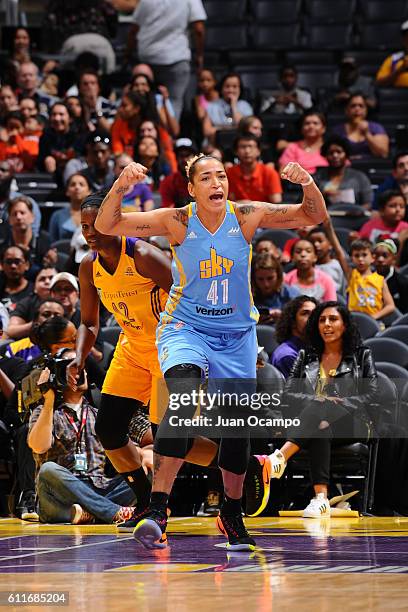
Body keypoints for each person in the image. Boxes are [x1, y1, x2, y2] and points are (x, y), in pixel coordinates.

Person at [94, 157, 328, 550]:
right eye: (206, 177)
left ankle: (231, 513)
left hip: (236, 336)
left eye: (221, 175)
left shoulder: (247, 216)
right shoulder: (177, 221)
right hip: (187, 329)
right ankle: (157, 509)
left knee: (236, 428)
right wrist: (120, 185)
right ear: (192, 188)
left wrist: (306, 181)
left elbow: (313, 214)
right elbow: (107, 224)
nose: (217, 181)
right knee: (182, 398)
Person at [251, 301, 378, 518]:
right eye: (322, 320)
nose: (327, 324)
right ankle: (321, 500)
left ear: (345, 325)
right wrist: (319, 400)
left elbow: (372, 394)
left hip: (352, 422)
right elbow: (289, 393)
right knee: (320, 425)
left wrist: (341, 402)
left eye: (333, 319)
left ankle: (279, 458)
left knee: (323, 407)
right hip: (316, 422)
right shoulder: (306, 355)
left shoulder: (361, 355)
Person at [28, 348, 135, 525]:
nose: (77, 373)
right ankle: (111, 511)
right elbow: (39, 446)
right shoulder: (44, 412)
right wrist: (48, 400)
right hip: (61, 494)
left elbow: (128, 452)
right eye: (69, 368)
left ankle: (87, 513)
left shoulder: (98, 414)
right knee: (48, 470)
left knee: (147, 471)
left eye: (80, 367)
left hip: (99, 488)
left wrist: (143, 454)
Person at [122, 0, 207, 121]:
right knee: (173, 102)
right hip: (176, 58)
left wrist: (127, 54)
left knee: (144, 100)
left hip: (148, 58)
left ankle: (146, 134)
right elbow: (199, 29)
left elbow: (133, 30)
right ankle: (168, 136)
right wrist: (199, 55)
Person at [313, 135, 373, 209]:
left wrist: (358, 211)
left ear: (346, 154)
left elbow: (368, 203)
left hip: (353, 217)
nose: (335, 156)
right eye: (331, 153)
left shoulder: (360, 177)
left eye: (339, 152)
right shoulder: (318, 177)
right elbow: (306, 202)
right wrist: (323, 195)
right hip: (324, 217)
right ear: (326, 155)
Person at [227, 134, 282, 204]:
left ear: (259, 151)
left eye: (251, 147)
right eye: (243, 147)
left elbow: (276, 201)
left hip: (264, 214)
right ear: (236, 151)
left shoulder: (270, 172)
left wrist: (251, 206)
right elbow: (228, 201)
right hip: (237, 213)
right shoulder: (230, 172)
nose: (247, 151)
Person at [271, 296, 317, 379]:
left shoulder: (310, 348)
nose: (312, 318)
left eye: (315, 313)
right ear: (292, 321)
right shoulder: (287, 356)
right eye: (305, 313)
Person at [332, 94, 389, 160]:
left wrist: (367, 134)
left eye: (361, 106)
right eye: (353, 106)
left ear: (366, 110)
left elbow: (383, 154)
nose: (357, 109)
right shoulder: (337, 131)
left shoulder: (377, 128)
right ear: (346, 110)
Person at [6, 267, 57, 340]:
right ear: (35, 288)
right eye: (42, 279)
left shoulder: (69, 301)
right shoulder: (26, 302)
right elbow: (11, 330)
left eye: (51, 278)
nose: (47, 282)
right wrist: (35, 324)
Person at [203, 73, 253, 142]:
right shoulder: (211, 106)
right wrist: (232, 129)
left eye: (235, 86)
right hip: (215, 144)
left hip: (239, 144)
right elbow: (207, 131)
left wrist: (234, 105)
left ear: (240, 89)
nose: (231, 90)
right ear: (221, 88)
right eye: (227, 86)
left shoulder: (245, 106)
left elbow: (245, 129)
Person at [252, 252, 300, 325]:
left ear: (278, 276)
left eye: (270, 278)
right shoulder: (247, 297)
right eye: (260, 279)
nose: (266, 284)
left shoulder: (292, 295)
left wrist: (284, 318)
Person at [49, 173, 92, 243]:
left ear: (89, 191)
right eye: (73, 184)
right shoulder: (57, 216)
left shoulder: (96, 215)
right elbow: (52, 244)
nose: (77, 187)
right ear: (67, 191)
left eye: (81, 184)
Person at [308, 225, 346, 295]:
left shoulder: (338, 266)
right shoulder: (307, 267)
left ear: (330, 244)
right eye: (312, 242)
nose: (316, 244)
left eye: (320, 241)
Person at [373, 239, 408, 314]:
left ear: (394, 259)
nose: (380, 259)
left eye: (385, 256)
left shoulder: (403, 282)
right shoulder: (367, 278)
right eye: (377, 255)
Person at [159, 138, 196, 208]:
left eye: (187, 155)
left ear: (194, 157)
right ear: (176, 158)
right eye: (181, 156)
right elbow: (167, 210)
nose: (185, 160)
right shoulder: (168, 182)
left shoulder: (204, 180)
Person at [0, 245, 32, 313]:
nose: (13, 266)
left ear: (27, 265)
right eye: (8, 262)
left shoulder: (34, 291)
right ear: (2, 265)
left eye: (17, 262)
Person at [376, 20, 408, 88]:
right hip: (398, 97)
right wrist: (399, 71)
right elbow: (379, 83)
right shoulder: (393, 59)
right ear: (403, 39)